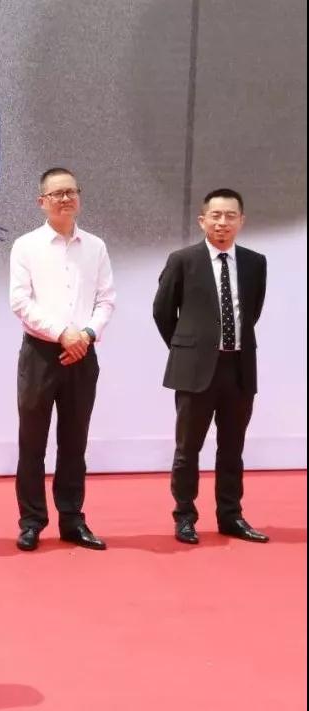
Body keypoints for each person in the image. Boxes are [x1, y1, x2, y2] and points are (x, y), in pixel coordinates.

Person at [152, 188, 269, 544]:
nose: (222, 223)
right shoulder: (182, 260)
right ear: (203, 220)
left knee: (232, 449)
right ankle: (185, 516)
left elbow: (252, 311)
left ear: (241, 221)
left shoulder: (255, 262)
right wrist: (189, 349)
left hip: (239, 369)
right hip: (195, 370)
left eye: (230, 216)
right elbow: (162, 311)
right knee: (188, 449)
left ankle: (231, 516)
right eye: (215, 216)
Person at [8, 167, 116, 552]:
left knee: (74, 443)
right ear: (42, 201)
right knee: (32, 443)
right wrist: (61, 333)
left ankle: (72, 519)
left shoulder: (96, 247)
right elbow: (20, 301)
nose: (66, 199)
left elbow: (106, 300)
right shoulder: (26, 246)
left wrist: (85, 335)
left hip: (82, 354)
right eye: (57, 194)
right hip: (39, 355)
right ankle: (31, 521)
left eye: (71, 192)